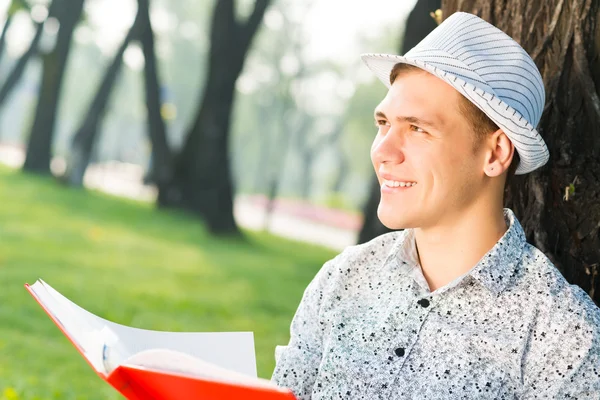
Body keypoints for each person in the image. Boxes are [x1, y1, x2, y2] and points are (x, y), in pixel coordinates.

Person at [271, 11, 600, 400]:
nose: (383, 152)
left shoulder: (563, 336)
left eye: (417, 128)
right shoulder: (340, 281)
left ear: (495, 153)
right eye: (383, 124)